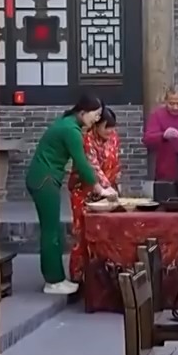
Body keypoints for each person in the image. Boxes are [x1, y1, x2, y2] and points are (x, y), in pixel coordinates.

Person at [25, 94, 116, 295]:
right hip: (45, 179)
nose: (97, 119)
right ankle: (53, 281)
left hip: (45, 178)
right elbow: (82, 163)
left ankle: (56, 278)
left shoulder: (67, 123)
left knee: (54, 230)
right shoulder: (71, 131)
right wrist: (99, 189)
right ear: (82, 112)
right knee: (51, 231)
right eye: (95, 114)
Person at [67, 106, 121, 283]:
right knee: (82, 233)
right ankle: (78, 277)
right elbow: (92, 166)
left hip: (107, 192)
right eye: (106, 127)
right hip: (84, 191)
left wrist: (115, 186)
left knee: (104, 234)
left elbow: (116, 162)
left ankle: (100, 278)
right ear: (96, 126)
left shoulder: (114, 138)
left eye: (112, 127)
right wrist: (105, 188)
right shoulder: (87, 140)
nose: (110, 131)